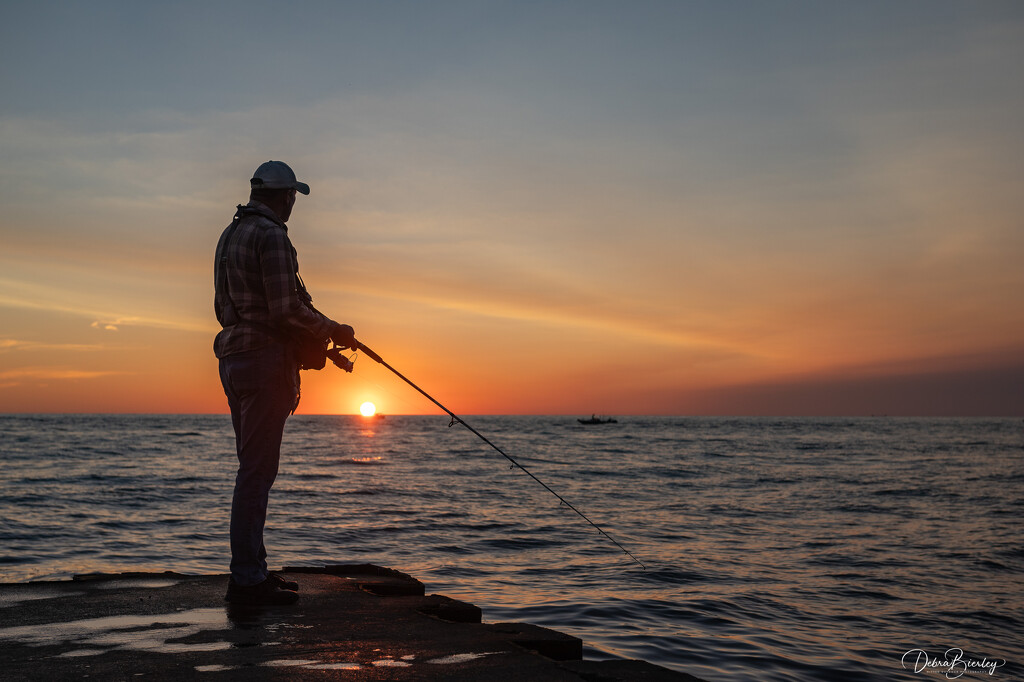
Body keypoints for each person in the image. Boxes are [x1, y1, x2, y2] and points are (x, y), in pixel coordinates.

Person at [214, 160, 355, 605]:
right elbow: (284, 310)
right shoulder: (272, 235)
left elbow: (229, 305)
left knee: (252, 470)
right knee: (257, 473)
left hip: (233, 359)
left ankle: (253, 571)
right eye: (293, 196)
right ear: (284, 196)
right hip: (263, 363)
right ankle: (248, 581)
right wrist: (333, 329)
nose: (294, 204)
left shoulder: (230, 234)